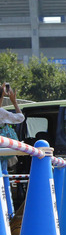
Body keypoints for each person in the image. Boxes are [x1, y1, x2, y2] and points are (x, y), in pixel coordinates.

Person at [0, 82, 24, 218]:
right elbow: (20, 118)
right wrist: (14, 102)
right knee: (4, 178)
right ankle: (8, 213)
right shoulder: (1, 113)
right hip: (2, 152)